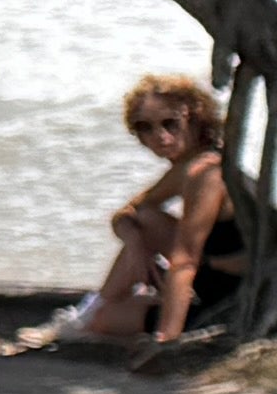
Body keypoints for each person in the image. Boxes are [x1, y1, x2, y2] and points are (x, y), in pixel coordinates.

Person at [52, 73, 228, 350]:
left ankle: (86, 316)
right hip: (212, 279)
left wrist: (167, 340)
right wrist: (135, 244)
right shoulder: (187, 166)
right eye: (145, 127)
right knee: (145, 218)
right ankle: (87, 314)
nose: (160, 136)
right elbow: (128, 213)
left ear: (194, 118)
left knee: (105, 321)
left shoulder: (205, 172)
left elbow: (185, 261)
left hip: (230, 298)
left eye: (171, 123)